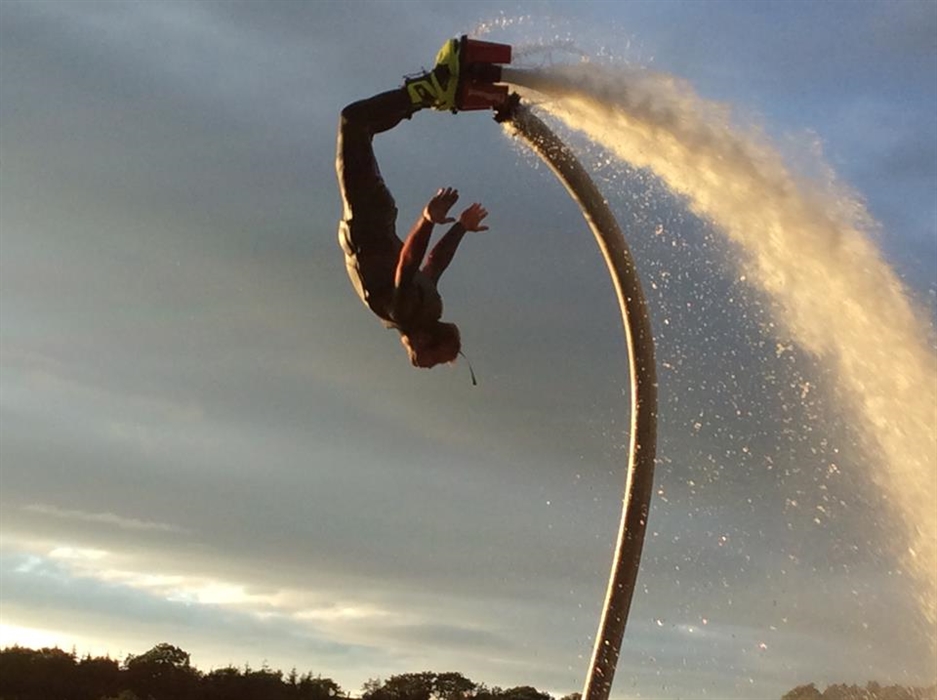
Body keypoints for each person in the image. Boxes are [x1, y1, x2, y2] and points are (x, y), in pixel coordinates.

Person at [336, 38, 513, 369]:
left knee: (361, 127)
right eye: (431, 359)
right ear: (424, 339)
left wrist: (460, 228)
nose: (421, 364)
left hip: (374, 217)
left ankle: (429, 94)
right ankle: (429, 90)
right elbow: (413, 263)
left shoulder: (424, 308)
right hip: (368, 218)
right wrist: (430, 220)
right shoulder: (407, 313)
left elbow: (433, 265)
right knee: (354, 122)